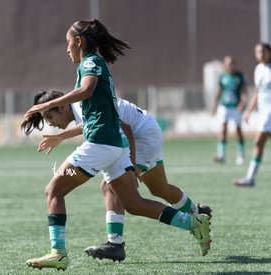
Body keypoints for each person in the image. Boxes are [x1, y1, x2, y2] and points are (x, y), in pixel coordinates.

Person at [22, 19, 211, 271]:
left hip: (105, 141)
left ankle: (59, 253)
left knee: (53, 190)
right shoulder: (89, 67)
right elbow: (98, 111)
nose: (67, 49)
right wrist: (61, 136)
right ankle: (192, 222)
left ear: (79, 42)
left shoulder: (90, 63)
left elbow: (87, 91)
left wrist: (44, 105)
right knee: (134, 204)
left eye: (68, 43)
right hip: (115, 143)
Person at [22, 90, 212, 262]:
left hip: (141, 136)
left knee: (111, 188)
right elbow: (91, 124)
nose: (49, 123)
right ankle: (195, 213)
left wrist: (131, 162)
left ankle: (116, 243)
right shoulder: (79, 105)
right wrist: (63, 136)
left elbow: (125, 128)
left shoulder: (82, 104)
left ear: (62, 107)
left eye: (49, 116)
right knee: (159, 188)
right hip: (146, 128)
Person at [233, 43, 271, 187]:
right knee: (259, 143)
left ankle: (250, 178)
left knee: (257, 142)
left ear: (269, 52)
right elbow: (257, 91)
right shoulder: (259, 69)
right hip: (264, 112)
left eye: (263, 51)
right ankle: (250, 178)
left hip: (269, 113)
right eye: (257, 52)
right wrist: (249, 110)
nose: (260, 54)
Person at [211, 56, 248, 165]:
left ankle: (241, 155)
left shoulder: (240, 76)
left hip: (235, 107)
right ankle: (221, 155)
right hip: (224, 106)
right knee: (223, 129)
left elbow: (244, 92)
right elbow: (218, 91)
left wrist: (242, 104)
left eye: (232, 63)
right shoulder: (222, 77)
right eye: (228, 63)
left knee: (238, 130)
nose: (230, 65)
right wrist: (214, 105)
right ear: (225, 64)